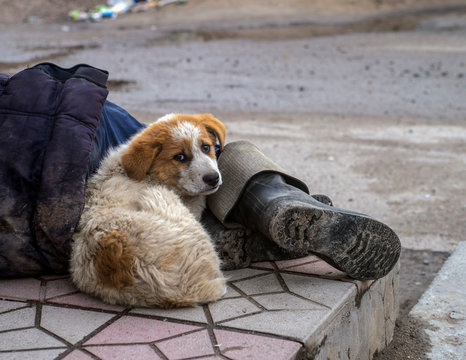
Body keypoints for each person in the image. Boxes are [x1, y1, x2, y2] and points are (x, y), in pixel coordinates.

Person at [0, 63, 400, 280]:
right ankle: (277, 202)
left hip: (41, 189)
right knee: (216, 164)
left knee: (189, 171)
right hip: (60, 138)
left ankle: (235, 228)